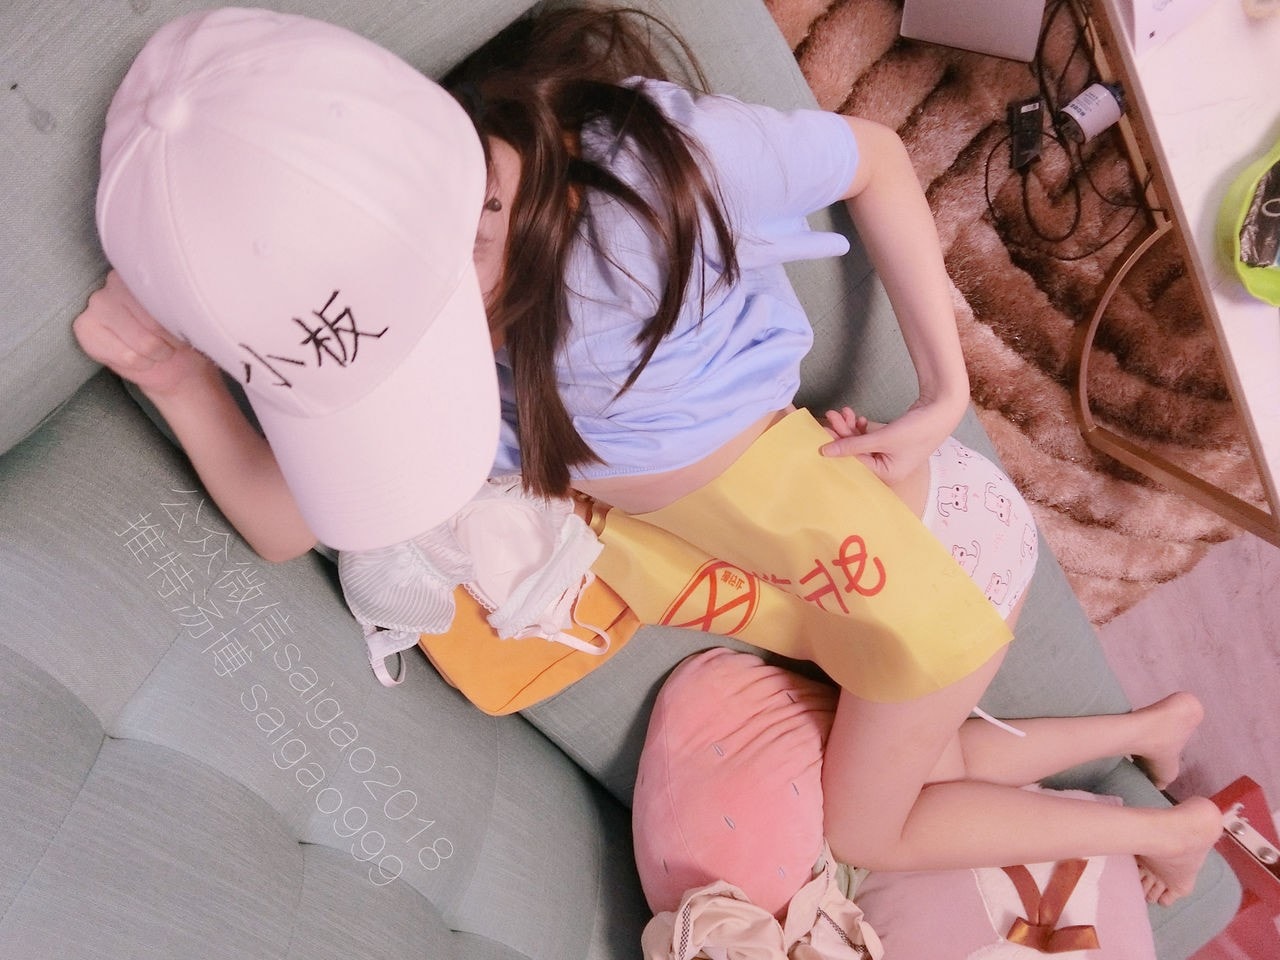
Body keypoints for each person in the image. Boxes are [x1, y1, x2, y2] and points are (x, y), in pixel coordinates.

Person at [75, 2, 1220, 919]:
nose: (459, 296)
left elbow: (872, 157)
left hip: (914, 534)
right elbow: (291, 522)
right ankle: (1143, 732)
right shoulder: (446, 376)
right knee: (906, 765)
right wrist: (178, 382)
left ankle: (1162, 828)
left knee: (865, 827)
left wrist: (944, 393)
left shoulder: (633, 167)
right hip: (808, 562)